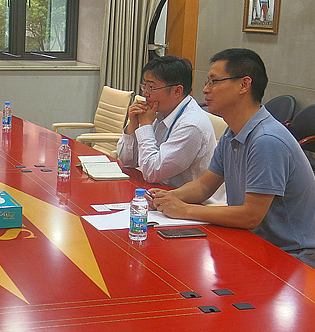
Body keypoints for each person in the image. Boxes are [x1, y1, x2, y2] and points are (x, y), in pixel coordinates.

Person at [150, 48, 315, 268]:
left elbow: (250, 215)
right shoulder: (232, 133)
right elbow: (203, 186)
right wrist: (165, 199)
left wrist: (184, 209)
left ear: (244, 85)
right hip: (251, 241)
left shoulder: (267, 140)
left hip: (289, 255)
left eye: (214, 81)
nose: (205, 89)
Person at [117, 56, 220, 194]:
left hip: (191, 202)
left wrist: (146, 126)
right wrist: (133, 125)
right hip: (163, 192)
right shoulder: (160, 111)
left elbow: (152, 173)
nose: (145, 93)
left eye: (151, 87)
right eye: (144, 86)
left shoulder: (191, 125)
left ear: (177, 91)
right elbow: (127, 162)